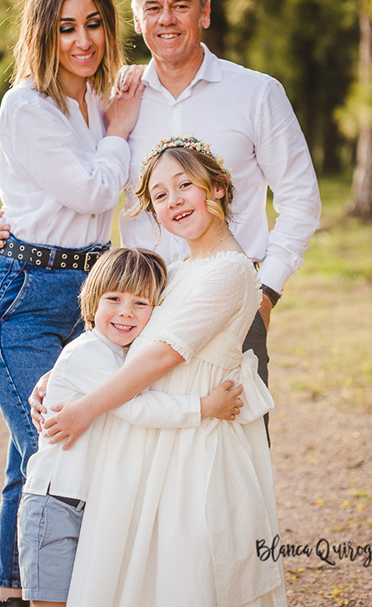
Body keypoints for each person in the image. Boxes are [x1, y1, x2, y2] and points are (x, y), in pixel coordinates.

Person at [0, 0, 322, 438]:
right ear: (137, 21)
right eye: (154, 8)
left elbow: (301, 199)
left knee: (231, 446)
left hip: (228, 306)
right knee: (139, 456)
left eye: (181, 5)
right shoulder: (113, 97)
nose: (168, 20)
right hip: (140, 309)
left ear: (204, 12)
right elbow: (63, 176)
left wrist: (265, 292)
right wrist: (7, 225)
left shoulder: (256, 93)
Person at [39, 136, 286, 606]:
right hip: (153, 427)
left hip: (192, 445)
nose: (173, 201)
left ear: (217, 188)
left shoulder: (232, 271)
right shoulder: (175, 270)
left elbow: (162, 356)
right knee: (137, 566)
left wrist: (85, 409)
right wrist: (60, 378)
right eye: (159, 195)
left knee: (185, 562)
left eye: (184, 185)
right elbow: (119, 337)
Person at [0, 0, 144, 607]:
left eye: (94, 24)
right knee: (57, 449)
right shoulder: (28, 104)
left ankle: (15, 590)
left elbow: (91, 200)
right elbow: (95, 188)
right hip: (26, 299)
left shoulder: (92, 103)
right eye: (66, 27)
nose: (82, 40)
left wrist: (113, 125)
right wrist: (119, 133)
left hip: (87, 295)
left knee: (31, 457)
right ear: (42, 33)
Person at [17, 247, 245, 607]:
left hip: (87, 504)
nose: (125, 311)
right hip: (55, 504)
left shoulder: (121, 356)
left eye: (141, 303)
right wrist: (204, 407)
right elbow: (137, 408)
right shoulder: (88, 353)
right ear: (92, 301)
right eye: (114, 298)